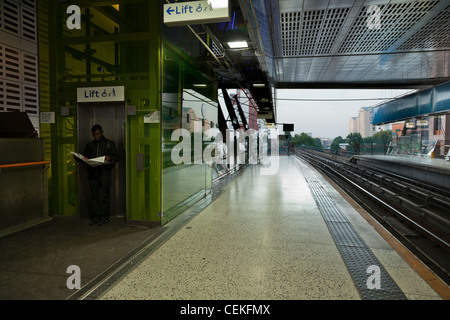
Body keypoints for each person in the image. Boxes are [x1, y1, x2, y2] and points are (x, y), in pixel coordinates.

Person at [75, 125, 118, 226]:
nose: (96, 136)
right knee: (95, 196)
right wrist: (80, 158)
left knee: (105, 196)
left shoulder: (109, 144)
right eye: (94, 135)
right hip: (93, 173)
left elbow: (117, 157)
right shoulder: (90, 145)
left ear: (102, 132)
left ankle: (104, 216)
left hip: (105, 174)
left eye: (97, 134)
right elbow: (86, 157)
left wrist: (110, 158)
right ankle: (96, 216)